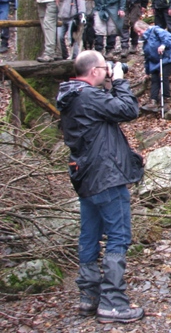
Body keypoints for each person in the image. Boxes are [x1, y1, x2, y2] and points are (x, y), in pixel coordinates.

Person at [56, 50, 144, 324]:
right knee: (118, 236)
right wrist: (119, 82)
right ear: (94, 71)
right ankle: (113, 303)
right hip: (107, 176)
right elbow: (129, 110)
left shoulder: (71, 95)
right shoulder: (89, 96)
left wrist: (108, 87)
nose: (108, 71)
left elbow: (105, 115)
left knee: (89, 235)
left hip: (86, 177)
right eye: (105, 68)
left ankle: (89, 296)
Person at [135, 20, 171, 112]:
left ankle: (167, 100)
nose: (139, 34)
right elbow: (147, 58)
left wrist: (163, 45)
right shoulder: (145, 41)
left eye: (139, 31)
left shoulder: (156, 30)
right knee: (155, 78)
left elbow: (169, 37)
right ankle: (153, 101)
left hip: (169, 57)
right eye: (137, 32)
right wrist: (147, 72)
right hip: (157, 62)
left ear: (144, 28)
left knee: (163, 75)